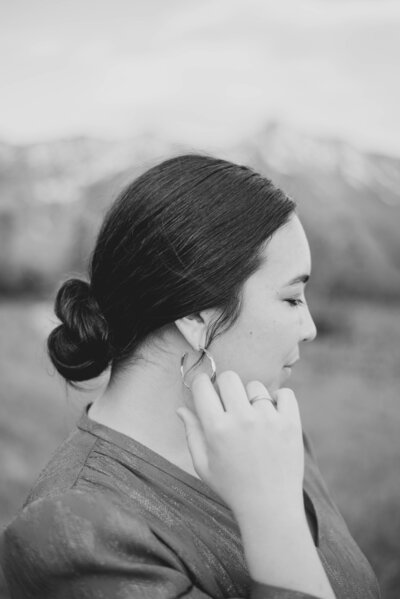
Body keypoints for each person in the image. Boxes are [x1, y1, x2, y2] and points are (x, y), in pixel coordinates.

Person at [0, 155, 381, 599]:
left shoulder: (267, 432)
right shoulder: (73, 531)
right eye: (292, 298)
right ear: (197, 316)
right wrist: (272, 515)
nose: (311, 327)